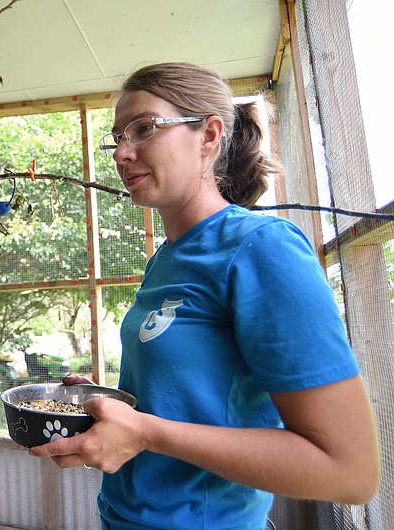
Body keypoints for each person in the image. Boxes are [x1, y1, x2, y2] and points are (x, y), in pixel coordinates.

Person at [27, 62, 380, 529]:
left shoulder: (260, 247)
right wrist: (104, 404)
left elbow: (350, 472)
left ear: (209, 135)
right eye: (117, 137)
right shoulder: (165, 258)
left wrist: (146, 432)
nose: (121, 153)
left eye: (144, 129)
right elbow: (187, 396)